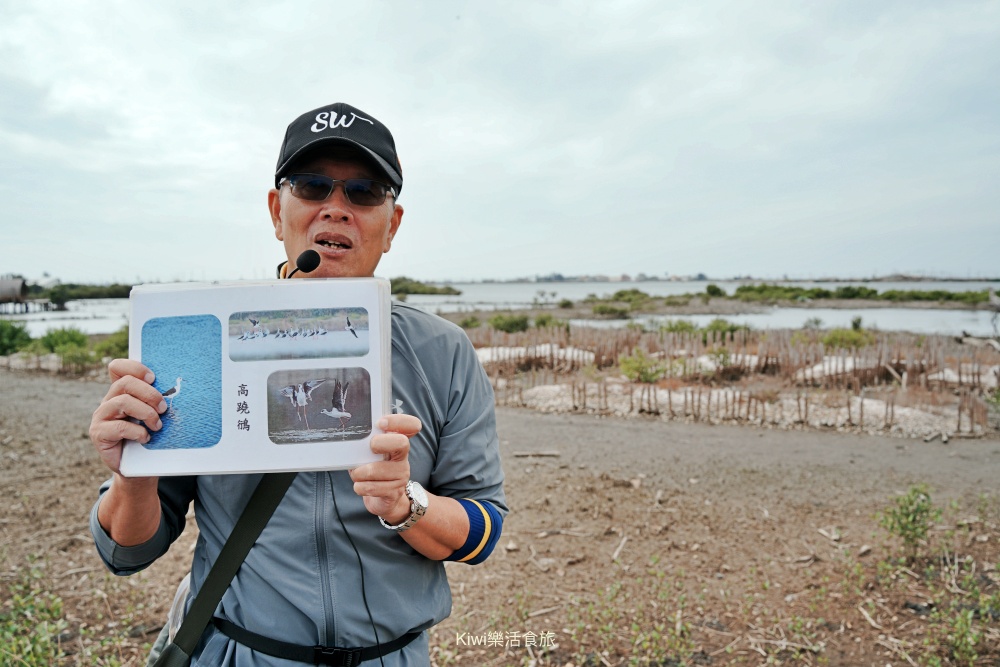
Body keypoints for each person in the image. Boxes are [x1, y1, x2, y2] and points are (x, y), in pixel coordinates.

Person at [88, 102, 507, 666]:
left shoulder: (443, 351)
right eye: (312, 187)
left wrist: (406, 503)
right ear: (276, 209)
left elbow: (483, 526)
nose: (335, 209)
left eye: (363, 192)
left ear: (394, 224)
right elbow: (127, 551)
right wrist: (133, 471)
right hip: (239, 653)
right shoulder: (196, 336)